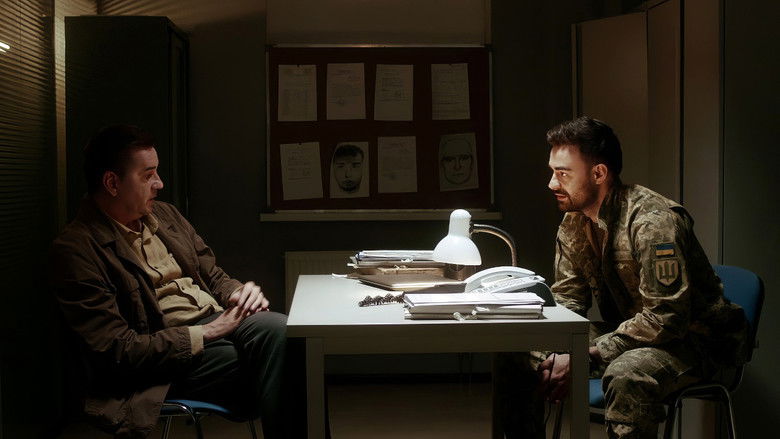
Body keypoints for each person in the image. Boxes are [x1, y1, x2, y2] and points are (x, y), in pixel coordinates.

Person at [49, 125, 288, 439]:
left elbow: (213, 275)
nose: (159, 183)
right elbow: (116, 350)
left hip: (218, 321)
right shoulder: (77, 249)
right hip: (165, 357)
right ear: (112, 183)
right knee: (277, 365)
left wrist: (239, 292)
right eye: (148, 175)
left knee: (285, 332)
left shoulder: (166, 215)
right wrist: (207, 332)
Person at [533, 116, 748, 438]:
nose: (552, 183)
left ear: (598, 173)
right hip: (632, 333)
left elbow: (666, 318)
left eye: (563, 173)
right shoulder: (574, 222)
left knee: (628, 374)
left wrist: (583, 352)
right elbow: (568, 299)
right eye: (553, 171)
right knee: (521, 351)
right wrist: (559, 346)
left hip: (695, 341)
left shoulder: (653, 222)